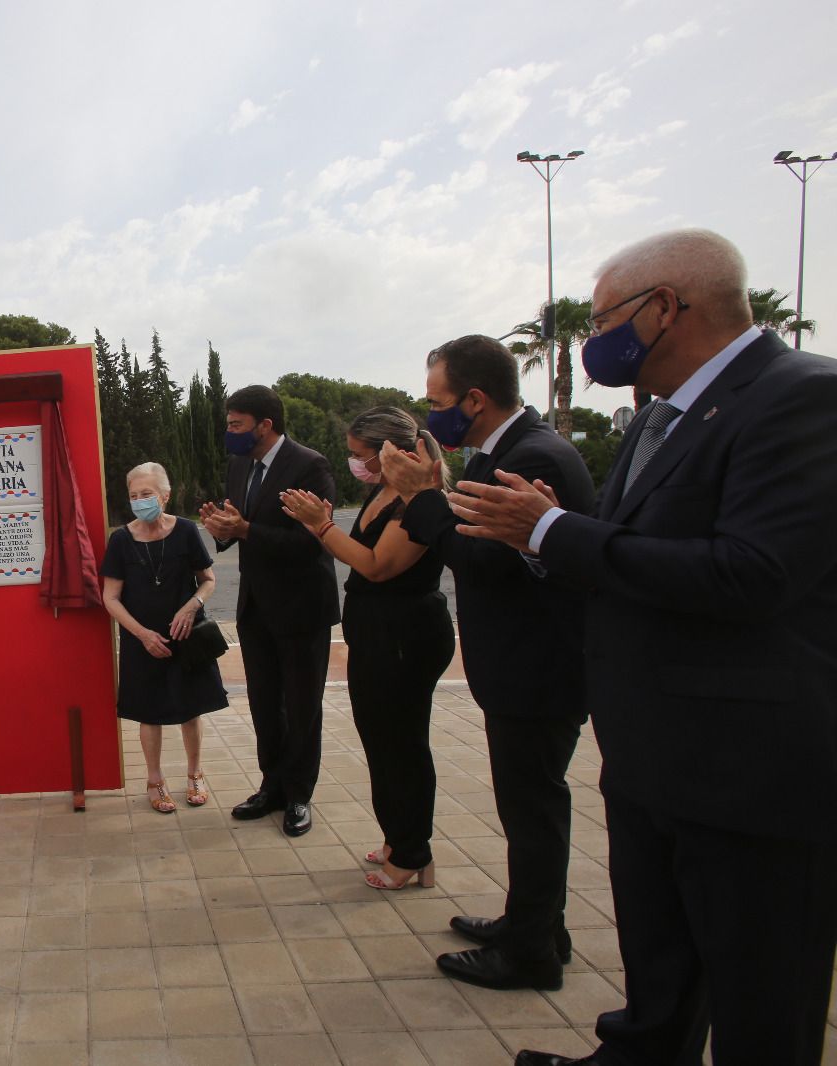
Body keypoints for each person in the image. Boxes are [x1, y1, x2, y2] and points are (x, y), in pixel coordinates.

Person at [446, 229, 837, 1066]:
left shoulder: (804, 396)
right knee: (662, 966)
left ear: (666, 307)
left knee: (760, 999)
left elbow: (754, 574)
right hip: (655, 753)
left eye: (601, 320)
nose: (591, 340)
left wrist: (552, 530)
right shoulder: (664, 414)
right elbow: (625, 565)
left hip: (748, 771)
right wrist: (544, 540)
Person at [379, 335, 594, 992]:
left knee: (532, 809)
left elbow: (480, 557)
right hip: (521, 665)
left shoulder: (530, 460)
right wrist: (434, 494)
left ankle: (531, 952)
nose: (430, 414)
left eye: (437, 401)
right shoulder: (497, 453)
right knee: (526, 807)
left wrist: (421, 497)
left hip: (538, 668)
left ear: (474, 398)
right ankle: (534, 923)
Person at [279, 406, 454, 891]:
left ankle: (413, 853)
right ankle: (401, 839)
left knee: (402, 745)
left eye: (361, 455)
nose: (355, 464)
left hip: (405, 636)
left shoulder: (420, 502)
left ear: (390, 451)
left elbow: (377, 565)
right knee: (381, 741)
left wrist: (321, 526)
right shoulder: (385, 491)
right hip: (377, 633)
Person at [198, 385, 338, 837]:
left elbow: (312, 541)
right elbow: (239, 525)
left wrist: (246, 529)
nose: (229, 432)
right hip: (256, 607)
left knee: (301, 706)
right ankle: (272, 786)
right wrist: (221, 528)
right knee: (263, 704)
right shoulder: (240, 464)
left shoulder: (309, 466)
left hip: (301, 607)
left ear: (265, 425)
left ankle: (299, 794)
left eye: (236, 425)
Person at [101, 462, 227, 812]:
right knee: (149, 712)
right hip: (143, 640)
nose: (140, 501)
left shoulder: (186, 531)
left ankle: (195, 774)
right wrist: (142, 635)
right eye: (134, 495)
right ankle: (154, 780)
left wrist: (191, 606)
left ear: (165, 496)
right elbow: (109, 597)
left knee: (191, 710)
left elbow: (208, 579)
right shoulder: (121, 540)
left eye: (147, 494)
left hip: (186, 635)